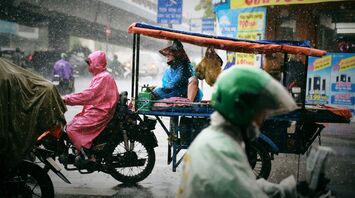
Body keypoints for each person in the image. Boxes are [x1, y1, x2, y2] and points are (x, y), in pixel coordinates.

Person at [177, 65, 298, 198]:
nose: (262, 119)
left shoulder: (218, 139)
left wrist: (283, 190)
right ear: (242, 109)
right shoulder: (221, 149)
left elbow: (242, 184)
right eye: (260, 112)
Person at [62, 51, 119, 160]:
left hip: (101, 112)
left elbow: (88, 95)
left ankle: (88, 155)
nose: (88, 66)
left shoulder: (103, 77)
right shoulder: (100, 76)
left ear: (96, 63)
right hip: (97, 109)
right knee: (73, 123)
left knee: (72, 129)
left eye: (90, 63)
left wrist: (67, 99)